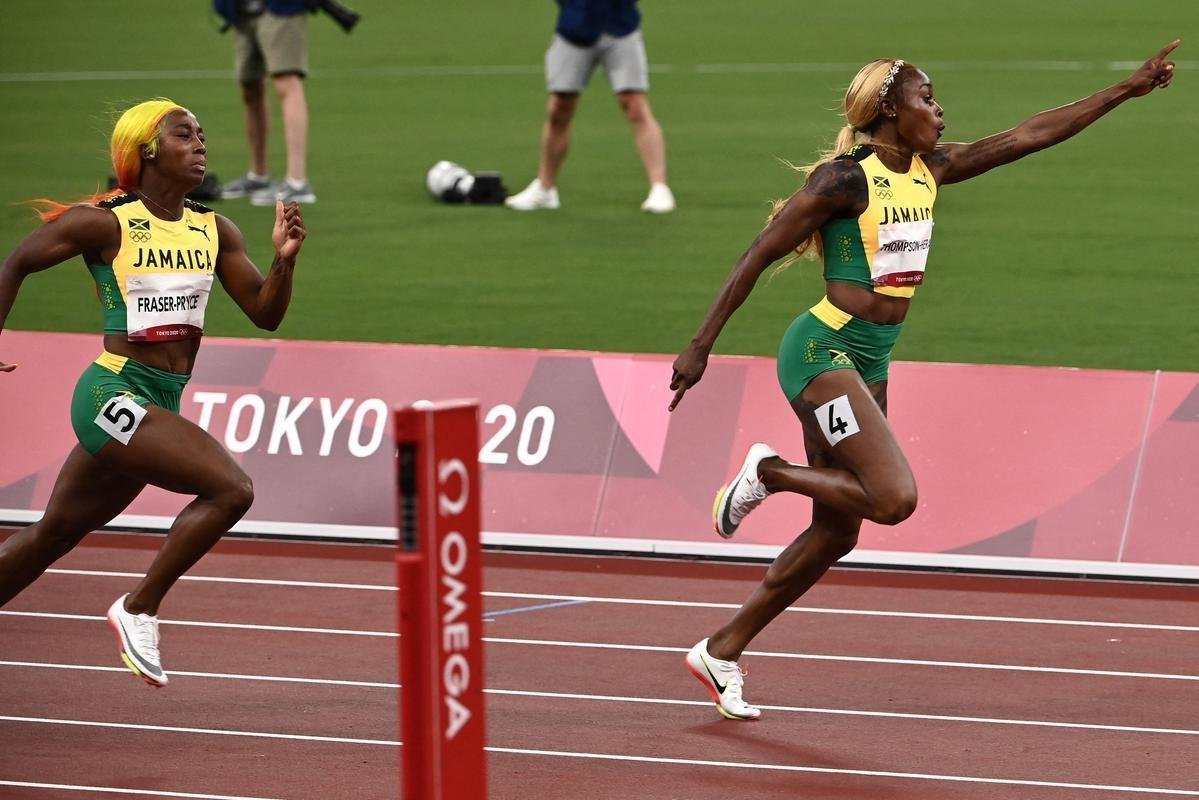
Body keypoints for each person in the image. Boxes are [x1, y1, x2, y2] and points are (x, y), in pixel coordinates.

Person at [669, 42, 1178, 720]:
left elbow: (1028, 134)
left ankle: (721, 649)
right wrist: (699, 345)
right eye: (925, 98)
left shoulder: (932, 169)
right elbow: (758, 253)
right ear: (887, 111)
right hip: (822, 352)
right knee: (893, 497)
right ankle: (771, 473)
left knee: (836, 533)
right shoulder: (840, 181)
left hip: (869, 360)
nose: (938, 109)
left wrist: (1123, 90)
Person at [0, 99, 307, 688]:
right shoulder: (105, 221)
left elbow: (265, 315)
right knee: (231, 488)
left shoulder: (215, 229)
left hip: (161, 401)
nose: (200, 145)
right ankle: (139, 606)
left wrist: (284, 262)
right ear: (146, 149)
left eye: (202, 135)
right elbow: (15, 262)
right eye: (184, 135)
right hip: (111, 393)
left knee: (52, 536)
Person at [505, 0, 675, 213]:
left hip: (621, 29)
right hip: (574, 30)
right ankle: (545, 189)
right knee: (559, 108)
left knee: (634, 105)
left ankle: (659, 187)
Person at [214, 0, 318, 205]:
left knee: (286, 81)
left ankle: (297, 182)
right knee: (249, 87)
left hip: (280, 8)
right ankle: (258, 175)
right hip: (241, 8)